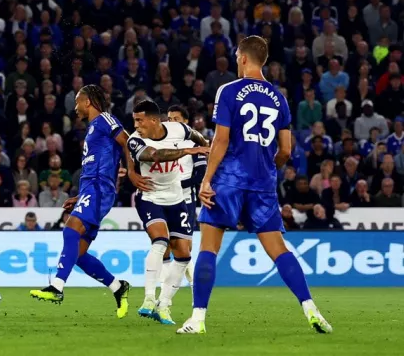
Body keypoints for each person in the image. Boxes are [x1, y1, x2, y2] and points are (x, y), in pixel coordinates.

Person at [177, 36, 332, 335]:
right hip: (263, 183)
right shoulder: (279, 97)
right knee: (279, 250)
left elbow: (220, 140)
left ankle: (197, 319)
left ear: (244, 58)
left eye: (237, 56)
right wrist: (266, 169)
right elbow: (286, 150)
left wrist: (207, 179)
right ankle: (311, 308)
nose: (236, 60)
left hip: (229, 180)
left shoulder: (229, 90)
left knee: (209, 247)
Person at [29, 84, 132, 317]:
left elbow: (127, 142)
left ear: (88, 101)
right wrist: (79, 195)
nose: (74, 107)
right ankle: (118, 287)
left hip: (99, 188)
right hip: (90, 189)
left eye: (77, 101)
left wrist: (131, 172)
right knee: (78, 253)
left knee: (70, 229)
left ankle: (57, 286)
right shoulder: (93, 128)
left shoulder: (106, 119)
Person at [127, 100, 209, 324]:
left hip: (176, 198)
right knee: (160, 241)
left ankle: (164, 305)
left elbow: (194, 134)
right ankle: (148, 300)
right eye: (134, 120)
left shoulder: (177, 129)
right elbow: (155, 155)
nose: (135, 125)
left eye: (139, 120)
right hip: (150, 197)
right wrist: (188, 150)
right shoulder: (135, 140)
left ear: (154, 120)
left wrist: (204, 145)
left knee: (183, 254)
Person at [164, 105, 207, 286]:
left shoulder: (195, 145)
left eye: (176, 119)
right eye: (169, 118)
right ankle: (165, 291)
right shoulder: (160, 143)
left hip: (185, 200)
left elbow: (200, 175)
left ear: (186, 122)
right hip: (163, 199)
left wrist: (176, 184)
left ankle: (194, 286)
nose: (171, 122)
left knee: (184, 248)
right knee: (163, 244)